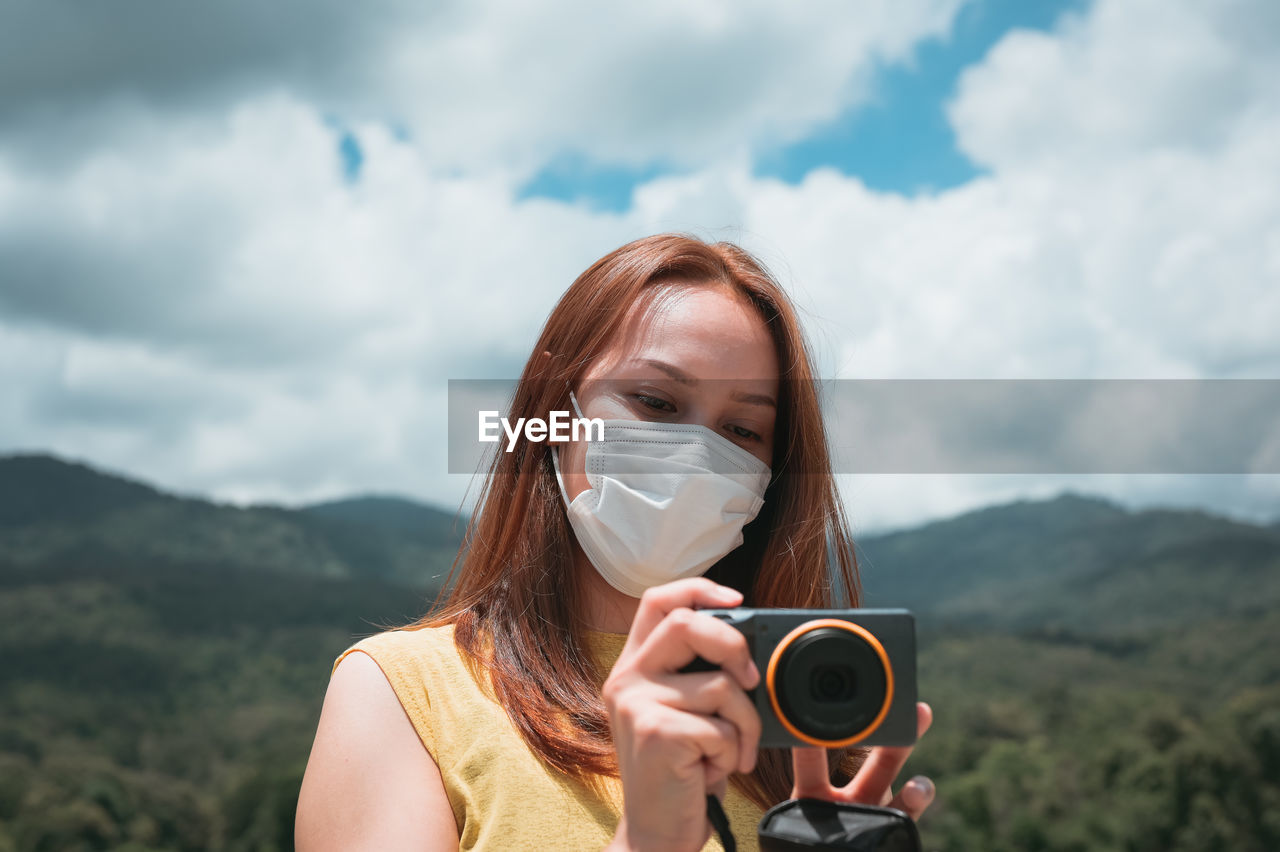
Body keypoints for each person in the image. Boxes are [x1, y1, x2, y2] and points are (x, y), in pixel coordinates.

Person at [295, 234, 935, 851]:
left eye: (742, 428)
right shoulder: (406, 694)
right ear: (553, 410)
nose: (694, 453)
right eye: (655, 402)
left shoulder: (804, 726)